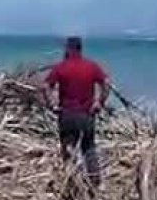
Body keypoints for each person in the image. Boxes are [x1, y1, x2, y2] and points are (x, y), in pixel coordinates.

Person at [42, 36, 109, 186]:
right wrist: (99, 103)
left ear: (68, 49)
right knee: (89, 148)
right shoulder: (91, 66)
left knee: (68, 148)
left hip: (67, 114)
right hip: (87, 114)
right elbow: (106, 83)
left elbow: (46, 86)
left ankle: (71, 183)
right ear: (80, 49)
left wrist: (52, 105)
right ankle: (94, 182)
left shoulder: (61, 67)